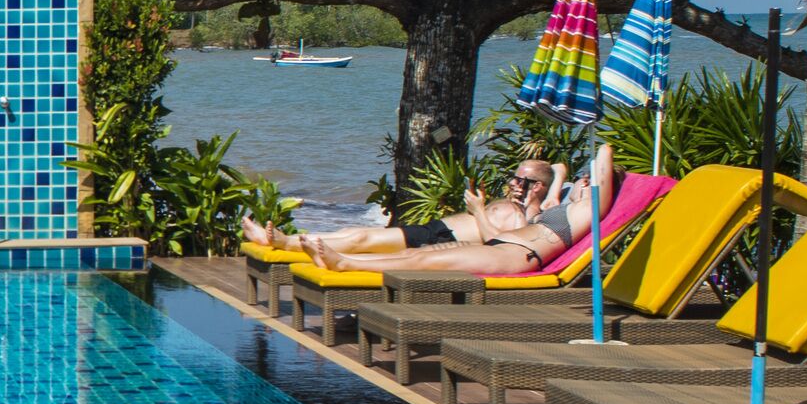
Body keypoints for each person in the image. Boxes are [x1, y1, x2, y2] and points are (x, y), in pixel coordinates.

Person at [309, 140, 619, 284]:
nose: (584, 181)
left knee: (423, 260)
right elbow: (556, 173)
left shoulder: (587, 211)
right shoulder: (561, 207)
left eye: (588, 180)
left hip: (514, 255)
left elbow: (604, 156)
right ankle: (346, 260)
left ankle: (346, 264)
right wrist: (566, 179)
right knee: (413, 255)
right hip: (502, 246)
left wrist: (601, 170)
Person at [245, 155, 557, 263]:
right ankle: (289, 240)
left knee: (362, 242)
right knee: (355, 233)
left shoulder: (527, 217)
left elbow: (499, 245)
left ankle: (284, 242)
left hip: (441, 240)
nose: (514, 183)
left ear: (538, 187)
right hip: (438, 229)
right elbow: (559, 166)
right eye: (514, 177)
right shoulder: (521, 201)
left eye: (522, 180)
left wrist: (477, 210)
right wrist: (549, 182)